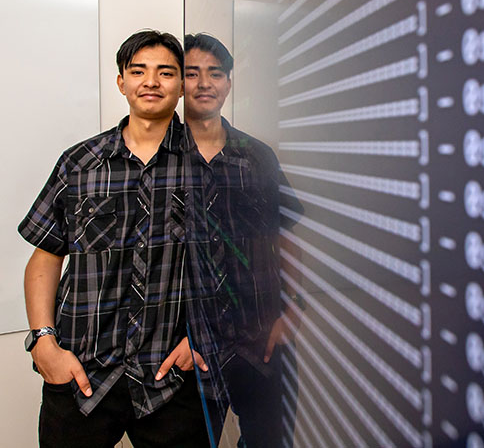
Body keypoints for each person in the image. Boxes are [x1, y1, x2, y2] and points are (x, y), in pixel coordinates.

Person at [19, 30, 210, 447]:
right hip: (81, 375)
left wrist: (204, 341)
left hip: (173, 378)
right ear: (121, 81)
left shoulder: (210, 165)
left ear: (182, 85)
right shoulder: (80, 162)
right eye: (138, 71)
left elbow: (239, 263)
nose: (151, 82)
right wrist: (43, 343)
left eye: (166, 72)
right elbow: (46, 256)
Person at [182, 33, 304, 448]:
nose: (204, 83)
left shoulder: (257, 156)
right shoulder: (160, 160)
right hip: (189, 348)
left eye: (215, 73)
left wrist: (292, 311)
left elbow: (285, 235)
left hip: (261, 340)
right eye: (191, 73)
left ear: (229, 82)